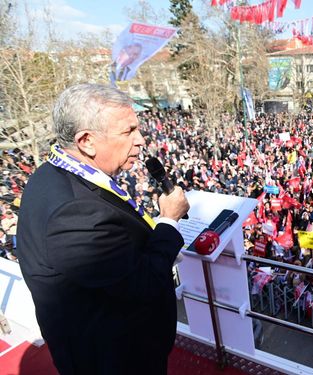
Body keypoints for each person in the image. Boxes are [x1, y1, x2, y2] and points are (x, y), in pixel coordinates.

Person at [16, 84, 190, 374]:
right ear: (86, 141)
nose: (140, 140)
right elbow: (142, 283)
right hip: (116, 360)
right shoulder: (72, 212)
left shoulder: (53, 173)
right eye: (128, 131)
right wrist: (168, 219)